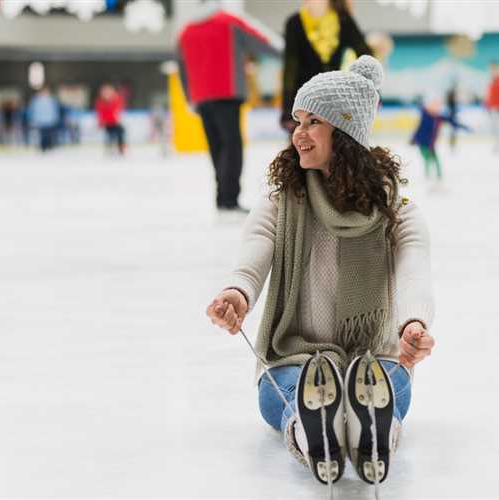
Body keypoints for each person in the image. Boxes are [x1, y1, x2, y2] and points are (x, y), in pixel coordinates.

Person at [205, 56, 435, 490]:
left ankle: (376, 430)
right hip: (296, 353)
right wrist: (236, 294)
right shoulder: (281, 204)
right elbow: (254, 253)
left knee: (388, 381)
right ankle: (308, 430)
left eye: (313, 121)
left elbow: (414, 269)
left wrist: (414, 323)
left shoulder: (396, 213)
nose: (299, 133)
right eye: (297, 120)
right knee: (285, 388)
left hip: (372, 356)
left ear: (344, 132)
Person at [178, 4, 281, 213]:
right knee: (232, 147)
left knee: (216, 147)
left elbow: (182, 67)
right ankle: (229, 200)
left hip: (201, 97)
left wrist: (190, 97)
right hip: (227, 92)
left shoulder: (186, 31)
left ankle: (222, 198)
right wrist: (288, 52)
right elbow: (260, 42)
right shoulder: (228, 21)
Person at [280, 0, 371, 133]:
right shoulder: (294, 23)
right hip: (303, 101)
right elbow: (290, 68)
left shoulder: (343, 19)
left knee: (336, 150)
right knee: (304, 149)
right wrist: (287, 108)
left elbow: (366, 57)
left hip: (335, 101)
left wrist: (367, 92)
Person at [410, 95, 469, 186]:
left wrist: (464, 127)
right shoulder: (425, 114)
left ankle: (439, 176)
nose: (435, 108)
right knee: (427, 159)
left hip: (431, 144)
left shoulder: (439, 117)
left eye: (438, 106)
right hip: (422, 143)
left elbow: (453, 122)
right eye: (433, 106)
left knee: (436, 160)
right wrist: (413, 139)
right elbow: (419, 128)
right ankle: (428, 176)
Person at [95, 84, 126, 156]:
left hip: (116, 122)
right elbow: (100, 113)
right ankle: (109, 148)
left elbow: (120, 108)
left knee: (120, 133)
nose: (107, 94)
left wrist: (118, 116)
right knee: (110, 135)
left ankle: (121, 149)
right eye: (105, 92)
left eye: (108, 91)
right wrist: (100, 122)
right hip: (107, 123)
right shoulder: (100, 102)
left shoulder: (116, 99)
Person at [485, 61, 499, 154]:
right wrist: (487, 105)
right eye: (491, 69)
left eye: (493, 68)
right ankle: (496, 145)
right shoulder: (492, 80)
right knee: (494, 128)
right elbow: (490, 95)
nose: (492, 70)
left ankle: (498, 146)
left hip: (498, 108)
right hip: (492, 108)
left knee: (498, 128)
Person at [28, 86, 60, 152]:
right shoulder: (36, 100)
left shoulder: (52, 100)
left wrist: (55, 118)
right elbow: (32, 110)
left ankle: (49, 146)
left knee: (49, 134)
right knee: (43, 135)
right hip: (41, 121)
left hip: (50, 121)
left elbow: (55, 110)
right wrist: (32, 119)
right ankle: (43, 147)